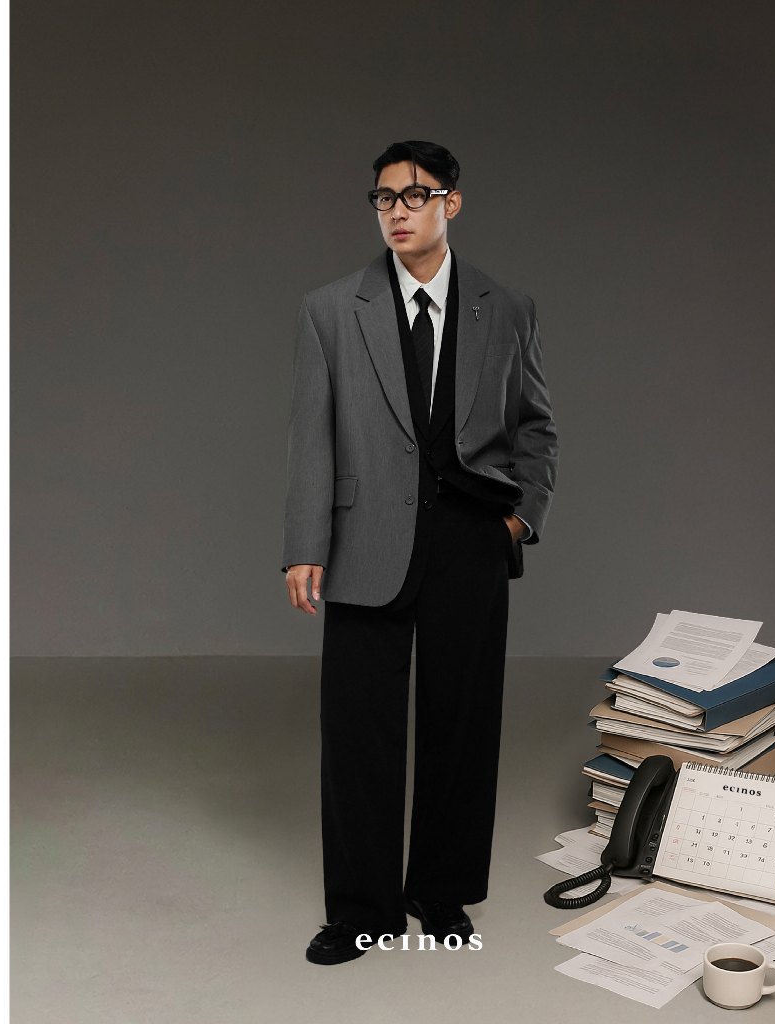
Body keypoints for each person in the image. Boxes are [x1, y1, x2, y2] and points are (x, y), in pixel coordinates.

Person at [281, 140, 558, 965]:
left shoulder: (507, 308)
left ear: (451, 203)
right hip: (366, 539)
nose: (397, 211)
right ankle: (360, 909)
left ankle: (441, 894)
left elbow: (537, 427)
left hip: (471, 540)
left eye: (415, 195)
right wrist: (305, 545)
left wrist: (519, 519)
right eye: (383, 198)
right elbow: (312, 436)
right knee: (358, 732)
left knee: (462, 726)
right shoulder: (332, 309)